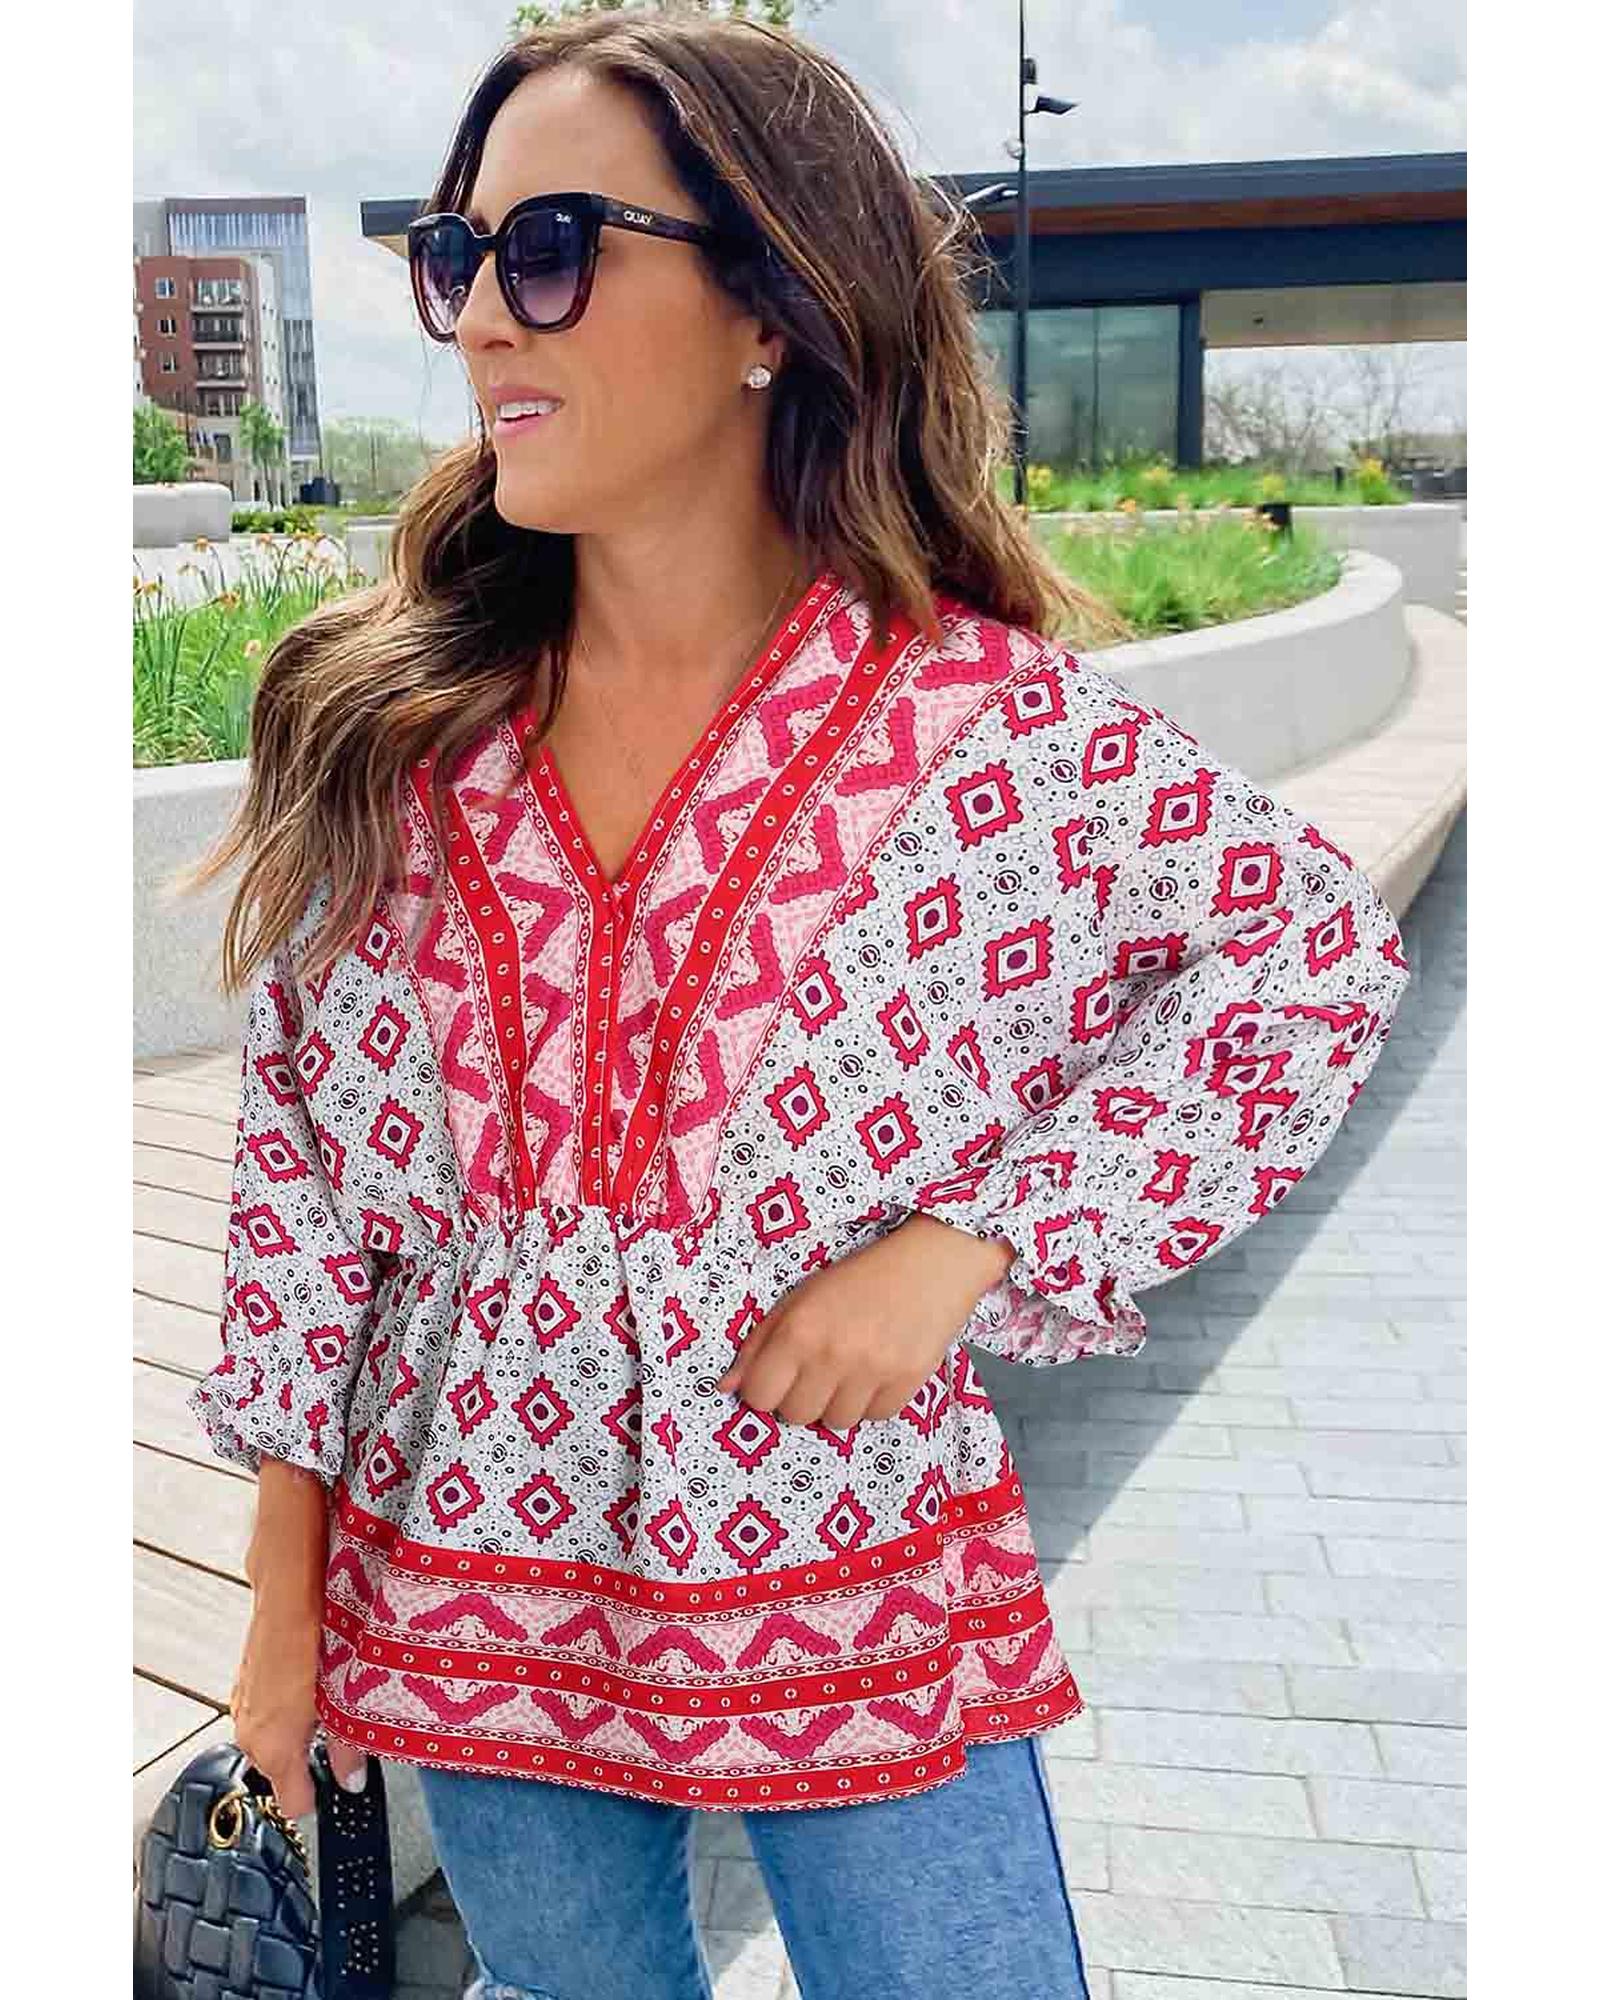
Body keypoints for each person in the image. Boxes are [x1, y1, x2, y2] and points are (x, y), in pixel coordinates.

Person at [178, 12, 1412, 1999]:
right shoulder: (396, 732)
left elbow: (1304, 954)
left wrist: (968, 1240)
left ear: (769, 302)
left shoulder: (976, 734)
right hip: (473, 1562)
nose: (480, 315)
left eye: (550, 249)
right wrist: (280, 1599)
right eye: (458, 254)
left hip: (840, 1538)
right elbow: (309, 1195)